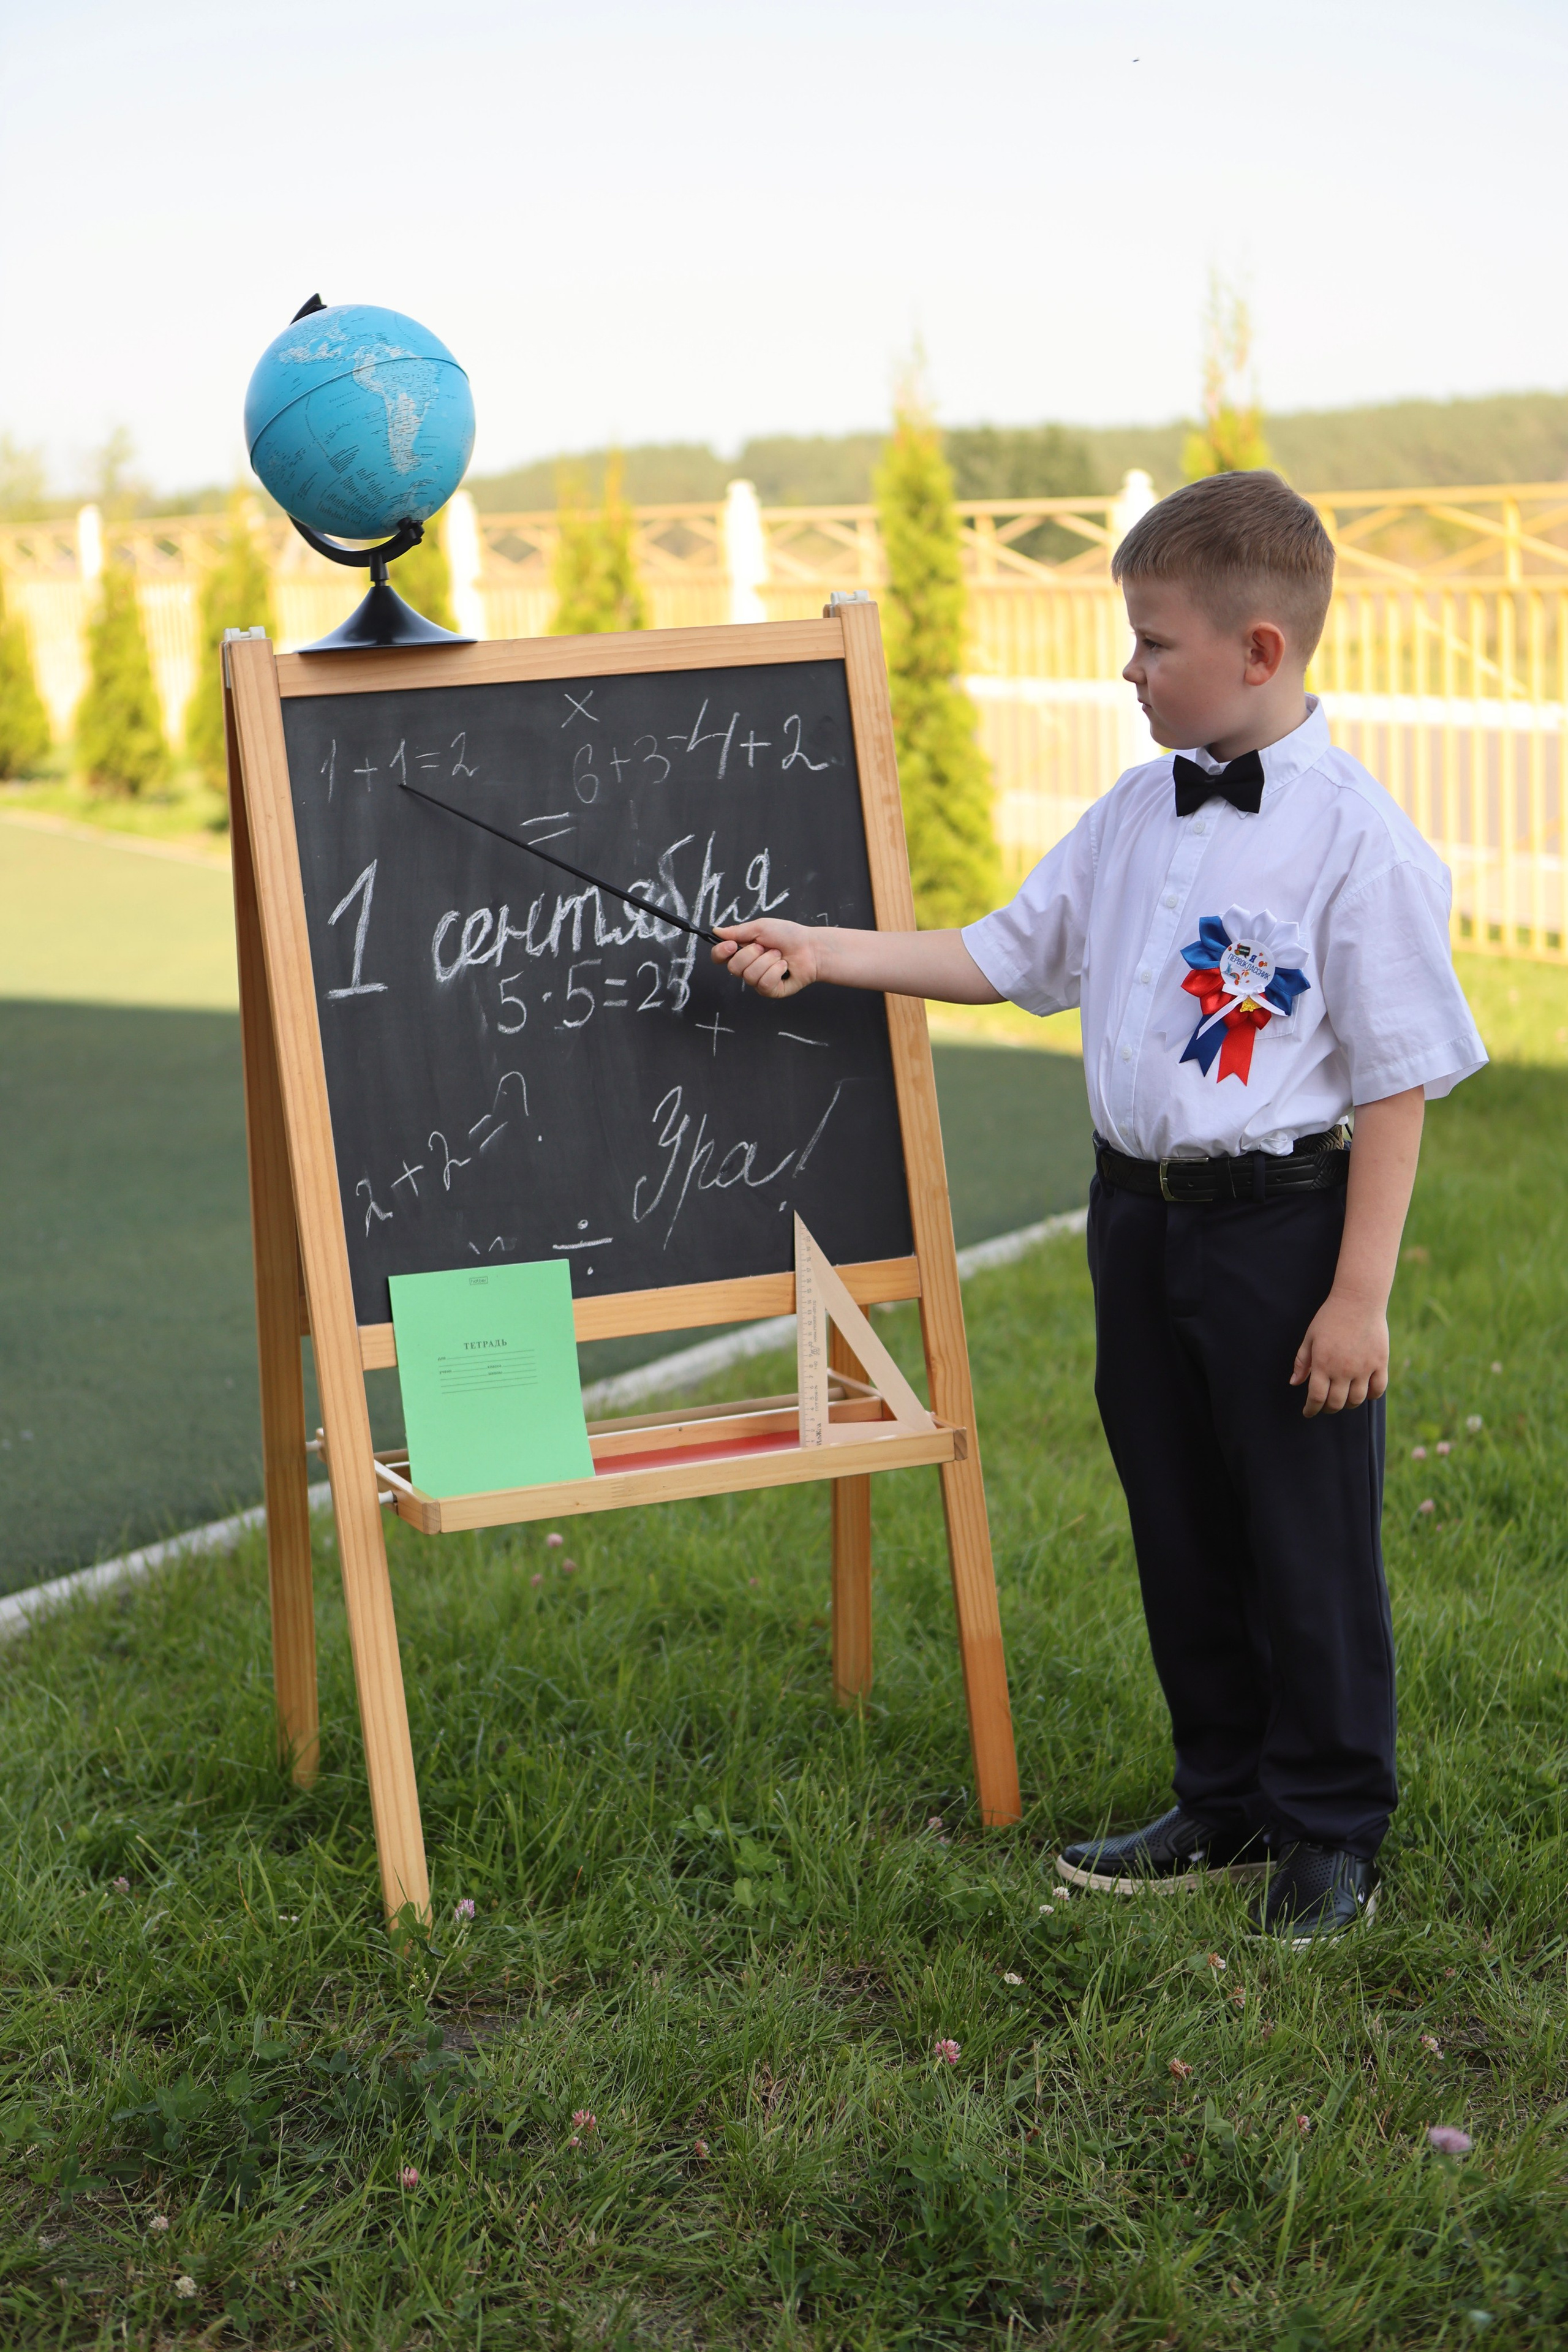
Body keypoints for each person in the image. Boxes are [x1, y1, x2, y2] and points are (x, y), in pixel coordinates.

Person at [712, 469, 1485, 1946]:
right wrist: (827, 950)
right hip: (1134, 1224)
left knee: (1300, 1535)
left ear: (1257, 651)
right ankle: (1221, 1793)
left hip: (1281, 1232)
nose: (1125, 671)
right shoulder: (1135, 811)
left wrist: (1357, 1293)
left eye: (1150, 643)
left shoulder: (1352, 841)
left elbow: (1394, 1080)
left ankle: (1328, 1827)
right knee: (1178, 1518)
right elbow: (1006, 955)